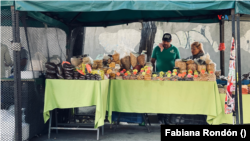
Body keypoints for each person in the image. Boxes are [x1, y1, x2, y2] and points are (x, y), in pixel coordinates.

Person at [151, 33, 181, 125]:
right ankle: (159, 116)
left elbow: (178, 62)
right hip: (159, 77)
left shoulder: (175, 49)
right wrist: (153, 72)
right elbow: (152, 61)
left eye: (167, 41)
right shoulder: (157, 48)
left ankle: (167, 118)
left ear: (171, 41)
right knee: (159, 97)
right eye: (164, 41)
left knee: (169, 97)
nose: (165, 43)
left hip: (171, 78)